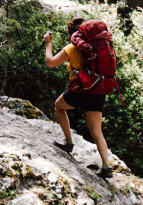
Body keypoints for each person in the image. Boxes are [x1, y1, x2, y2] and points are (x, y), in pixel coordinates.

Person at [43, 17, 114, 179]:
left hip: (81, 90)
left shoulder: (72, 48)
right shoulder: (96, 48)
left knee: (59, 106)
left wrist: (48, 43)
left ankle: (68, 143)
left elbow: (50, 62)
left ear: (72, 35)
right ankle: (106, 167)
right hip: (98, 89)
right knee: (97, 131)